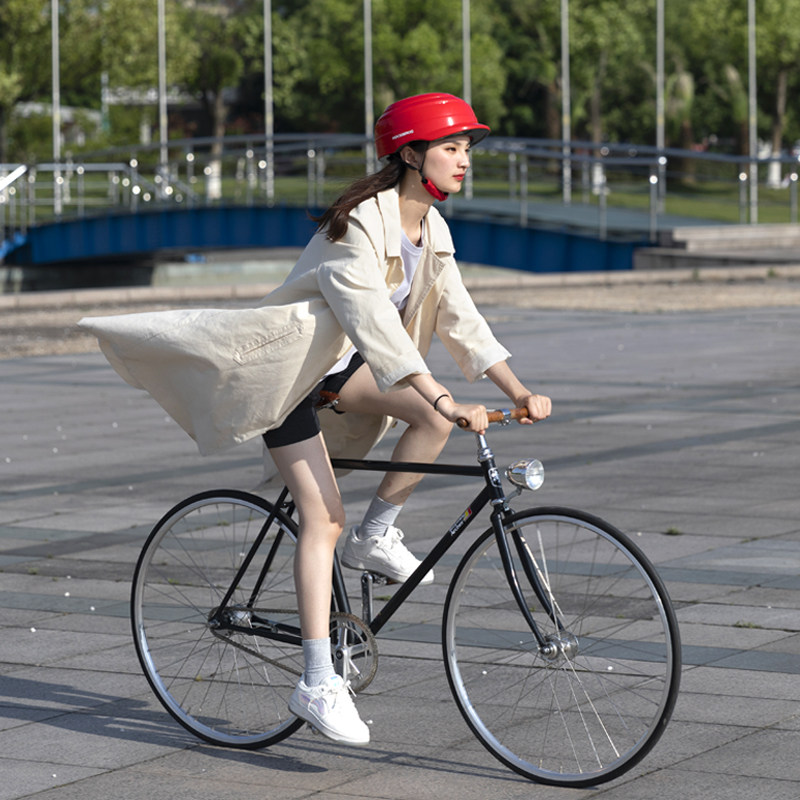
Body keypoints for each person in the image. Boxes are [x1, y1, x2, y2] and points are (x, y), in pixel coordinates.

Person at [79, 92, 552, 747]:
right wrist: (442, 394)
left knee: (431, 422)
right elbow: (374, 325)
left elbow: (460, 319)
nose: (464, 159)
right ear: (411, 155)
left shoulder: (434, 232)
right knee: (323, 518)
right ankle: (316, 680)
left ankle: (374, 537)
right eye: (451, 147)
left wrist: (519, 390)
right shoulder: (356, 225)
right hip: (288, 379)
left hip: (339, 372)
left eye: (467, 148)